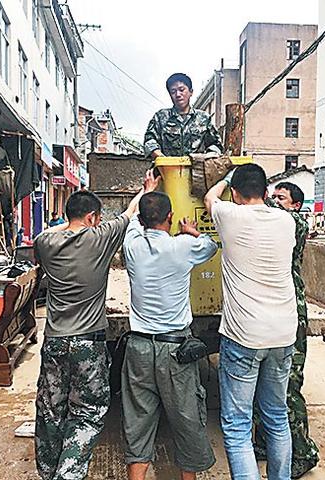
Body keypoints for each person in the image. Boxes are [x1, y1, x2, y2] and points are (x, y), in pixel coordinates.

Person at [33, 172, 159, 480]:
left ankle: (48, 473)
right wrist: (147, 190)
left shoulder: (44, 243)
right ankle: (68, 474)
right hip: (88, 344)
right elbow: (130, 214)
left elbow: (61, 228)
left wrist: (72, 221)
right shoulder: (101, 237)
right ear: (93, 217)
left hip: (54, 342)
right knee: (87, 412)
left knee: (51, 410)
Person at [204, 164, 297, 480]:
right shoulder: (286, 220)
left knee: (237, 424)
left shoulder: (230, 215)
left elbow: (208, 197)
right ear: (267, 192)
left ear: (234, 192)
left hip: (244, 334)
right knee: (276, 416)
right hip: (284, 334)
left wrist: (225, 178)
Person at [121, 191, 218, 480]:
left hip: (138, 347)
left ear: (141, 219)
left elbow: (131, 219)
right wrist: (192, 231)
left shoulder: (132, 244)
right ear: (170, 217)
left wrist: (145, 188)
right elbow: (210, 247)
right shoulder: (183, 246)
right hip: (175, 350)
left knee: (137, 420)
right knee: (187, 419)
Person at [254, 182, 319, 478]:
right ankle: (268, 443)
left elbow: (266, 210)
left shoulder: (295, 223)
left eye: (282, 198)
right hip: (272, 310)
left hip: (292, 312)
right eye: (274, 196)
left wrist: (257, 195)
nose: (275, 202)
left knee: (289, 388)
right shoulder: (275, 220)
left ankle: (304, 453)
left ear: (295, 205)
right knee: (262, 385)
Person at [144, 73, 224, 159]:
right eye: (173, 91)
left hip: (196, 169)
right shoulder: (160, 117)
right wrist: (162, 159)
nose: (178, 94)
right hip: (167, 169)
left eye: (181, 90)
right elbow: (149, 141)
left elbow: (216, 144)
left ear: (191, 92)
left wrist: (206, 158)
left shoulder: (203, 118)